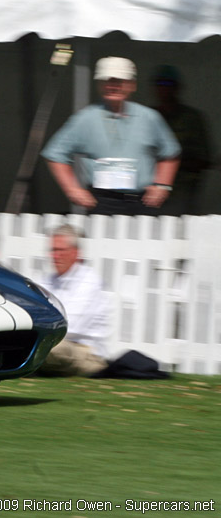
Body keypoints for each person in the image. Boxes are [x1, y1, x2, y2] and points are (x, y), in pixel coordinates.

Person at [42, 56, 181, 216]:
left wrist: (162, 186)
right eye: (106, 81)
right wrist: (72, 190)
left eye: (118, 81)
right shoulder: (85, 118)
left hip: (143, 201)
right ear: (99, 85)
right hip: (102, 201)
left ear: (132, 85)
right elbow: (55, 154)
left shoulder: (149, 117)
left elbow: (171, 153)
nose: (112, 86)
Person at [38, 224, 112, 377]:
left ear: (76, 253)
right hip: (57, 345)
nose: (55, 255)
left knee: (48, 349)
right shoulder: (47, 280)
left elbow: (70, 327)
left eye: (60, 250)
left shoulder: (89, 281)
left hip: (87, 353)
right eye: (53, 250)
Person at [151, 64, 213, 216]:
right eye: (160, 83)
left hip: (183, 192)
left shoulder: (192, 118)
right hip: (150, 190)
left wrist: (173, 162)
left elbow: (204, 159)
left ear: (177, 87)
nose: (164, 88)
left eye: (169, 84)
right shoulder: (148, 116)